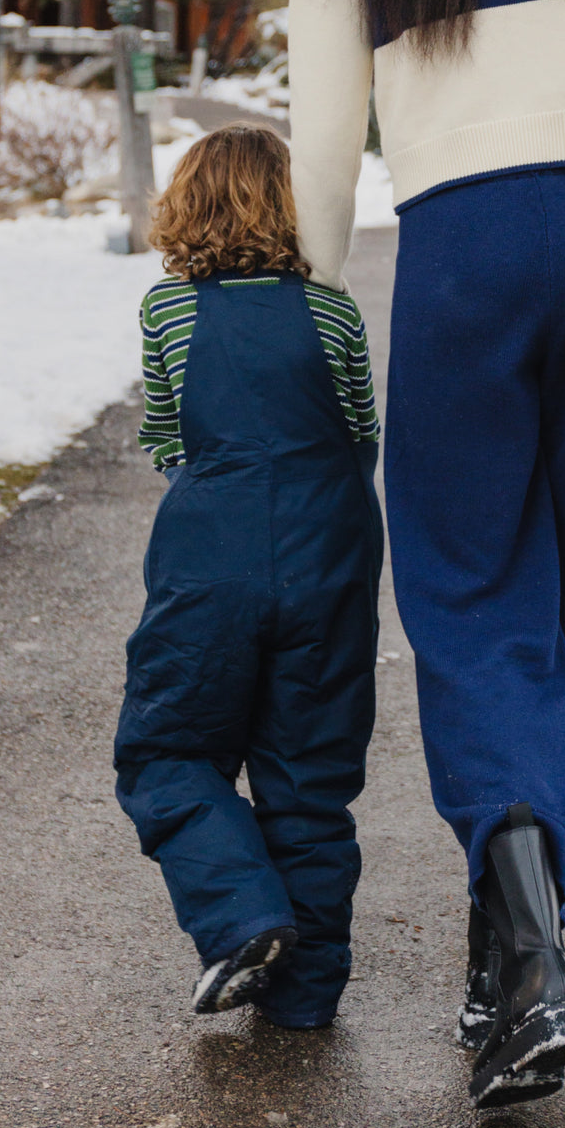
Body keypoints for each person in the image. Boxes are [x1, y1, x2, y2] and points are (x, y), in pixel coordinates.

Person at [287, 0, 565, 1105]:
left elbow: (326, 124)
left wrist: (316, 292)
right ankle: (515, 957)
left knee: (472, 587)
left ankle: (527, 959)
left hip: (456, 241)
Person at [113, 124, 384, 1031]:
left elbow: (166, 437)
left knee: (169, 749)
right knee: (309, 777)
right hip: (333, 549)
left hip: (211, 556)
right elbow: (360, 430)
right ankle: (304, 999)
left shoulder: (170, 311)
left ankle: (242, 920)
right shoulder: (333, 308)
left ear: (186, 204)